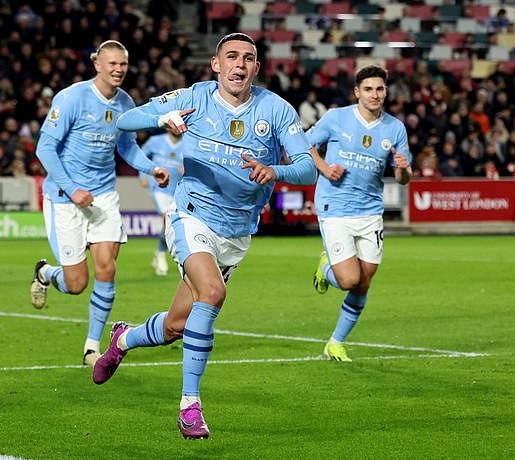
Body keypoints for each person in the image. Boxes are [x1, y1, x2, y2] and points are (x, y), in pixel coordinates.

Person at [92, 33, 317, 439]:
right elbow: (125, 120)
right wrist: (161, 118)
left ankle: (124, 339)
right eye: (231, 56)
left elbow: (307, 168)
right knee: (212, 293)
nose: (239, 64)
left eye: (248, 58)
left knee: (177, 325)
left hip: (236, 232)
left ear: (256, 68)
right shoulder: (193, 97)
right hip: (190, 214)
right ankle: (189, 406)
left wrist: (275, 171)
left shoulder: (277, 110)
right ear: (216, 64)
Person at [29, 40, 170, 367]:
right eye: (112, 63)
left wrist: (152, 167)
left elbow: (128, 148)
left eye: (123, 64)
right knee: (76, 283)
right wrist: (73, 188)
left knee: (107, 268)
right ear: (97, 64)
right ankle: (45, 274)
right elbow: (45, 149)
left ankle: (92, 349)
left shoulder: (125, 103)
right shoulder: (72, 98)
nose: (118, 69)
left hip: (104, 195)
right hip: (65, 198)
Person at [308, 65, 412, 362]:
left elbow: (405, 178)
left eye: (379, 89)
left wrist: (403, 168)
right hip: (335, 207)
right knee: (349, 280)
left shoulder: (395, 128)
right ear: (357, 92)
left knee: (364, 281)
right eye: (368, 89)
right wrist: (325, 168)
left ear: (386, 91)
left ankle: (335, 342)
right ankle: (325, 269)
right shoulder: (336, 118)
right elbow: (306, 145)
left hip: (370, 212)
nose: (374, 94)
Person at [139, 130, 184, 276]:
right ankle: (162, 256)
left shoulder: (189, 142)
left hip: (178, 188)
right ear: (168, 127)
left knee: (171, 223)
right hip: (158, 187)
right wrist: (143, 174)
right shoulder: (155, 141)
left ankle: (159, 251)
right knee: (167, 219)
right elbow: (141, 155)